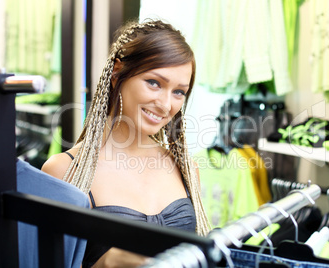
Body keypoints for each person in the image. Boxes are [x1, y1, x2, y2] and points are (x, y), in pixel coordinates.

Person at [41, 19, 210, 267]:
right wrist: (107, 262)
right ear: (117, 72)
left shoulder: (186, 169)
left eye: (178, 92)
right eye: (154, 83)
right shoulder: (63, 171)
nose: (165, 104)